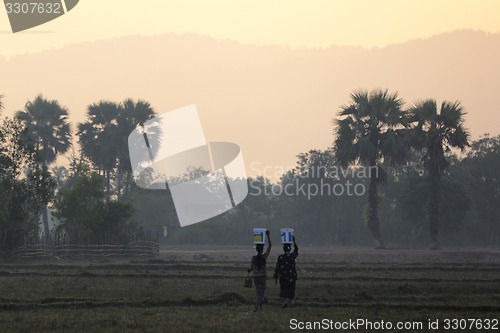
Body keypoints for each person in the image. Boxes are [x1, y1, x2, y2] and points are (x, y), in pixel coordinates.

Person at [248, 229, 272, 311]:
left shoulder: (254, 258)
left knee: (258, 291)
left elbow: (251, 268)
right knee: (262, 291)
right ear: (262, 249)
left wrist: (249, 270)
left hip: (256, 277)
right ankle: (258, 305)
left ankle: (259, 306)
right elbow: (269, 247)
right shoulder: (264, 257)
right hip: (263, 276)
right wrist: (268, 236)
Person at [273, 236, 298, 308]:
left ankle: (283, 303)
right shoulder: (292, 256)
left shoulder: (280, 257)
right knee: (291, 290)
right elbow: (296, 251)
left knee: (283, 290)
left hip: (283, 277)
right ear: (290, 249)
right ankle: (290, 303)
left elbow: (277, 268)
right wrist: (294, 242)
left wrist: (276, 276)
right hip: (291, 277)